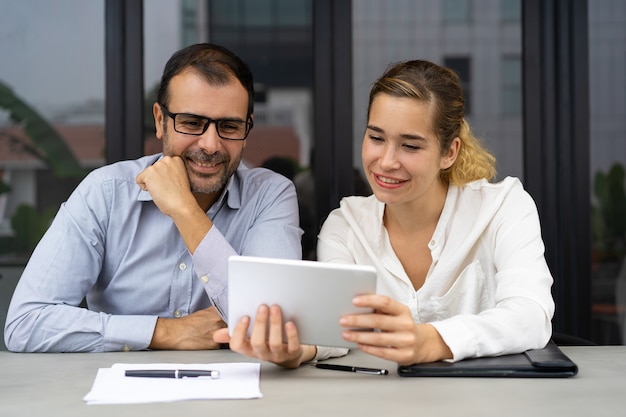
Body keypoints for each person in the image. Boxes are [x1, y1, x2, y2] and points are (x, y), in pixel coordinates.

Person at [214, 59, 555, 367]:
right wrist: (295, 351)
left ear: (449, 152)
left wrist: (432, 341)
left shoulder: (504, 207)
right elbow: (337, 327)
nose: (387, 161)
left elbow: (530, 315)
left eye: (410, 145)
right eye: (376, 137)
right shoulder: (345, 225)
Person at [4, 43, 302, 353]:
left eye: (229, 126)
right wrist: (164, 332)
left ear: (247, 127)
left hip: (237, 395)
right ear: (160, 120)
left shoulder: (270, 195)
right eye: (191, 122)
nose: (211, 144)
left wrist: (185, 210)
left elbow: (272, 324)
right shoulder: (105, 193)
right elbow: (26, 324)